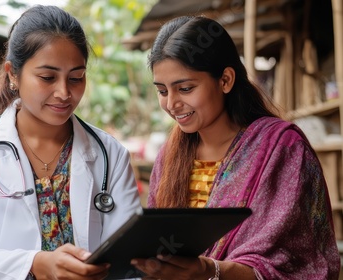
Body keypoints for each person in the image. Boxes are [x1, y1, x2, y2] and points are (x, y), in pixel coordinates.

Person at [0, 5, 141, 280]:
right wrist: (33, 263)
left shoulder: (110, 154)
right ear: (12, 74)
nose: (64, 92)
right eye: (47, 77)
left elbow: (128, 257)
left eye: (76, 77)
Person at [130, 15, 340, 279]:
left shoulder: (282, 148)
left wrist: (211, 271)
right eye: (162, 91)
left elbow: (299, 262)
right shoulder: (169, 156)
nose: (172, 104)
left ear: (225, 80)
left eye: (185, 88)